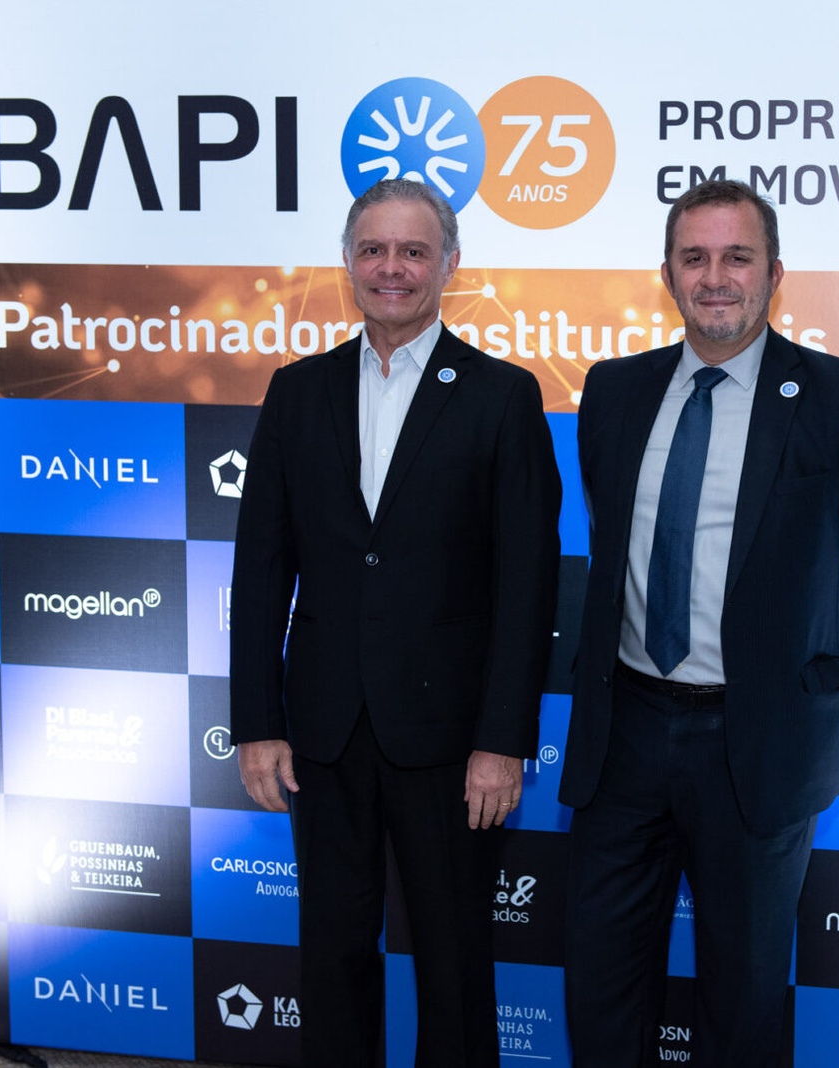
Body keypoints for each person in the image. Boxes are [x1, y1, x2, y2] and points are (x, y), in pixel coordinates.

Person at [559, 179, 839, 1066]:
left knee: (744, 1001)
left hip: (758, 744)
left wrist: (808, 677)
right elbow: (612, 537)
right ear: (668, 275)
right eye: (695, 258)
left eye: (737, 257)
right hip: (623, 737)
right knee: (601, 990)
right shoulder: (613, 390)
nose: (715, 277)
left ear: (774, 273)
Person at [229, 178, 561, 1066]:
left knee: (455, 966)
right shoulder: (297, 392)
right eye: (373, 249)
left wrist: (502, 741)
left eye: (414, 251)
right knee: (332, 955)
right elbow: (260, 574)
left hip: (452, 743)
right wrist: (258, 723)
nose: (392, 268)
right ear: (347, 261)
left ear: (449, 264)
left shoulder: (502, 396)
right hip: (324, 733)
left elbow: (527, 587)